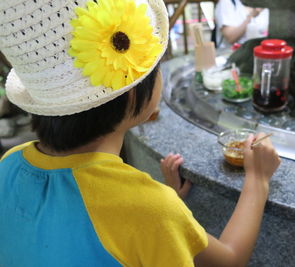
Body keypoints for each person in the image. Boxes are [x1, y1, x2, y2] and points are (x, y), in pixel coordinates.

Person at [0, 0, 280, 266]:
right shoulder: (150, 212)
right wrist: (258, 179)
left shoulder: (9, 163)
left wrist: (166, 209)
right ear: (133, 93)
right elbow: (229, 260)